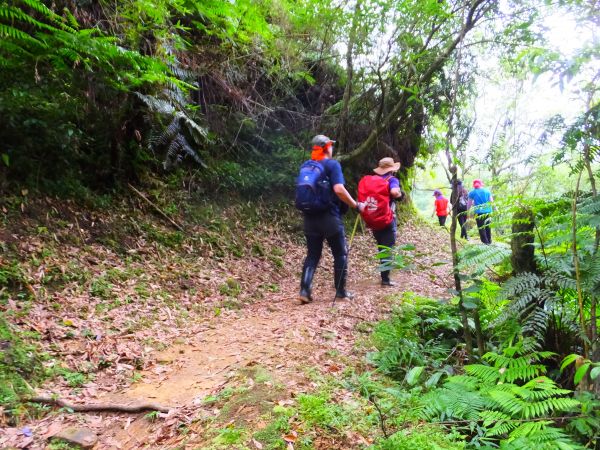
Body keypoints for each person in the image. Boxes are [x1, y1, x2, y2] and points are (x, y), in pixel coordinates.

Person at [297, 134, 363, 304]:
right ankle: (341, 291)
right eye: (331, 146)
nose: (333, 148)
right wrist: (356, 205)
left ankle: (304, 290)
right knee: (340, 253)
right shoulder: (332, 165)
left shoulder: (306, 165)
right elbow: (339, 189)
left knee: (312, 255)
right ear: (326, 147)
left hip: (309, 218)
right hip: (329, 218)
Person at [359, 157, 404, 286]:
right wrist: (400, 194)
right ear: (391, 170)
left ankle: (384, 275)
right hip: (388, 220)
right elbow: (394, 192)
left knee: (381, 247)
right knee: (387, 249)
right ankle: (385, 279)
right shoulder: (392, 180)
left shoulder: (372, 181)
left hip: (374, 220)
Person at [468, 178, 493, 244]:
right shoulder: (487, 191)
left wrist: (467, 212)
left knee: (481, 227)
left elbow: (469, 204)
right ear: (481, 184)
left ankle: (485, 243)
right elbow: (491, 201)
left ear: (474, 185)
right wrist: (495, 209)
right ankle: (489, 241)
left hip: (479, 213)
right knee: (488, 226)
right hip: (488, 212)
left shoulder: (472, 192)